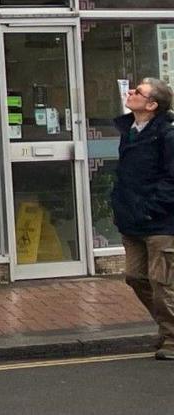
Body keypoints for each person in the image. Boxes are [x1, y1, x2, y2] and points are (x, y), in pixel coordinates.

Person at [113, 74, 174, 358]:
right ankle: (168, 327)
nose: (132, 92)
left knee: (161, 283)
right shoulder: (131, 130)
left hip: (161, 221)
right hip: (132, 221)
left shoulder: (167, 134)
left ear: (151, 105)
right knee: (135, 276)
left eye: (139, 91)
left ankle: (172, 336)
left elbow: (171, 180)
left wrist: (151, 208)